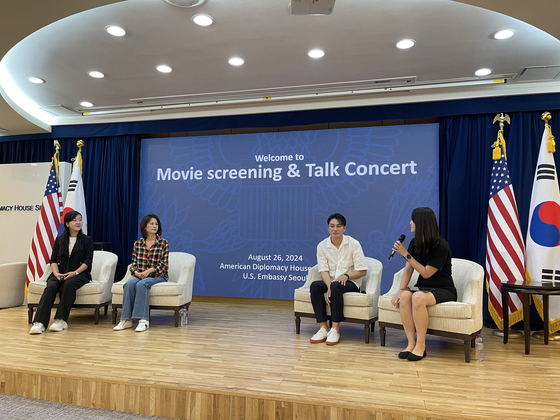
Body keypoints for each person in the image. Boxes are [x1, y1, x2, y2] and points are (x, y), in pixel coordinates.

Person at [391, 207, 456, 361]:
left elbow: (426, 272)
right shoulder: (415, 242)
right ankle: (410, 343)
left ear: (421, 223)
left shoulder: (441, 246)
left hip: (443, 288)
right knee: (407, 295)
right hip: (423, 288)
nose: (410, 223)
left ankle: (421, 345)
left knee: (418, 297)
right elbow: (408, 270)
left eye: (413, 220)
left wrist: (405, 254)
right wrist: (400, 292)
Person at [29, 211, 94, 334]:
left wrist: (75, 272)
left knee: (68, 285)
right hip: (60, 273)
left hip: (79, 274)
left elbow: (88, 261)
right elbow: (53, 260)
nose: (78, 222)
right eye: (74, 220)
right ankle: (39, 322)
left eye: (80, 219)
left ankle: (60, 320)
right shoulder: (59, 240)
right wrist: (56, 273)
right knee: (51, 286)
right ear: (67, 223)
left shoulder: (86, 240)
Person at [309, 213, 368, 345]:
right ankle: (323, 328)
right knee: (315, 286)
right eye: (332, 226)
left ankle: (335, 328)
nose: (335, 229)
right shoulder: (322, 246)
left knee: (336, 286)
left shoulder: (353, 244)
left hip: (351, 282)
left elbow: (362, 271)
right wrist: (329, 286)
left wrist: (347, 276)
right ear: (328, 228)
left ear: (344, 228)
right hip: (332, 281)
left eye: (338, 226)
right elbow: (323, 270)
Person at [114, 214, 169, 332]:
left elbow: (164, 265)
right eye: (151, 224)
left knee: (142, 284)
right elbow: (133, 264)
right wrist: (137, 273)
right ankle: (126, 320)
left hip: (157, 276)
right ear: (145, 227)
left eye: (156, 224)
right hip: (140, 275)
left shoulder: (163, 243)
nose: (154, 226)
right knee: (129, 284)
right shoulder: (138, 243)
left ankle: (143, 320)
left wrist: (149, 271)